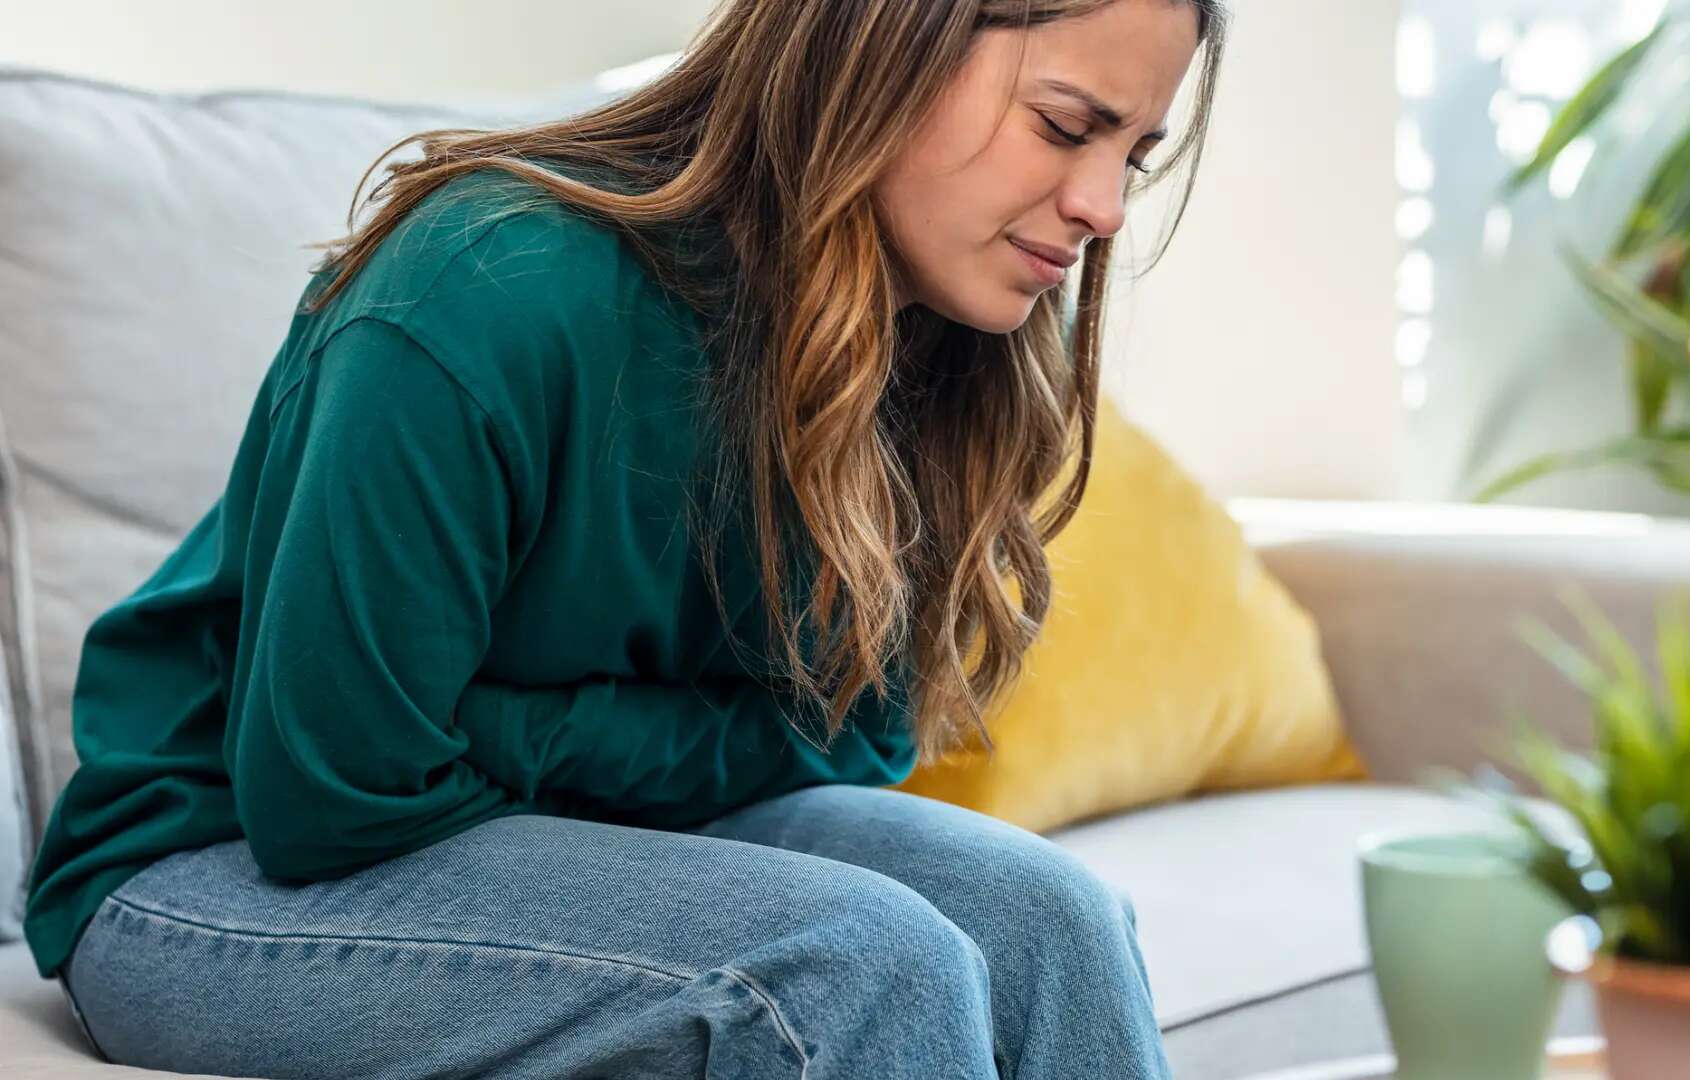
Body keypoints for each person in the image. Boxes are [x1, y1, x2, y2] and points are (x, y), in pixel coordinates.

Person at [22, 0, 1224, 1075]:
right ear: (879, 43)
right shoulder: (485, 283)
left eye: (1135, 154)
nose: (1103, 208)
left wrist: (497, 721)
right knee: (856, 962)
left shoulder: (944, 336)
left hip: (551, 821)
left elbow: (863, 730)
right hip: (207, 874)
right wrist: (626, 745)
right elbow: (335, 793)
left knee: (1049, 918)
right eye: (1068, 127)